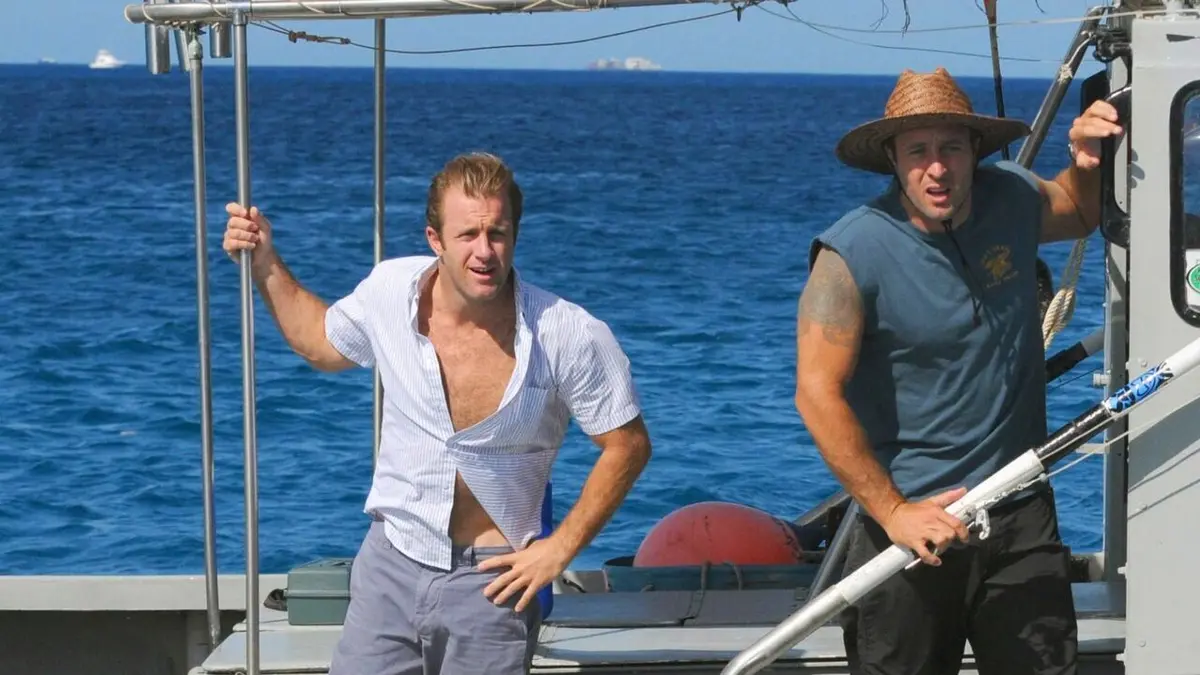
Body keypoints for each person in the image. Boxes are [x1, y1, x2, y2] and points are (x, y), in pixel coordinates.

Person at [222, 151, 652, 675]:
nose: (484, 251)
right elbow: (320, 343)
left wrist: (559, 548)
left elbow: (627, 445)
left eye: (498, 233)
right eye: (468, 234)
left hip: (493, 582)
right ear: (435, 240)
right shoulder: (389, 291)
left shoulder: (568, 333)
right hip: (390, 563)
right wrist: (264, 261)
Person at [793, 67, 1121, 675]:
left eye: (951, 148)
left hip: (1021, 508)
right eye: (917, 151)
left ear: (976, 150)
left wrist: (1085, 160)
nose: (937, 168)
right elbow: (816, 393)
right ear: (893, 159)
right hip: (911, 525)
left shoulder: (1012, 196)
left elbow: (1078, 213)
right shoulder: (850, 253)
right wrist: (893, 511)